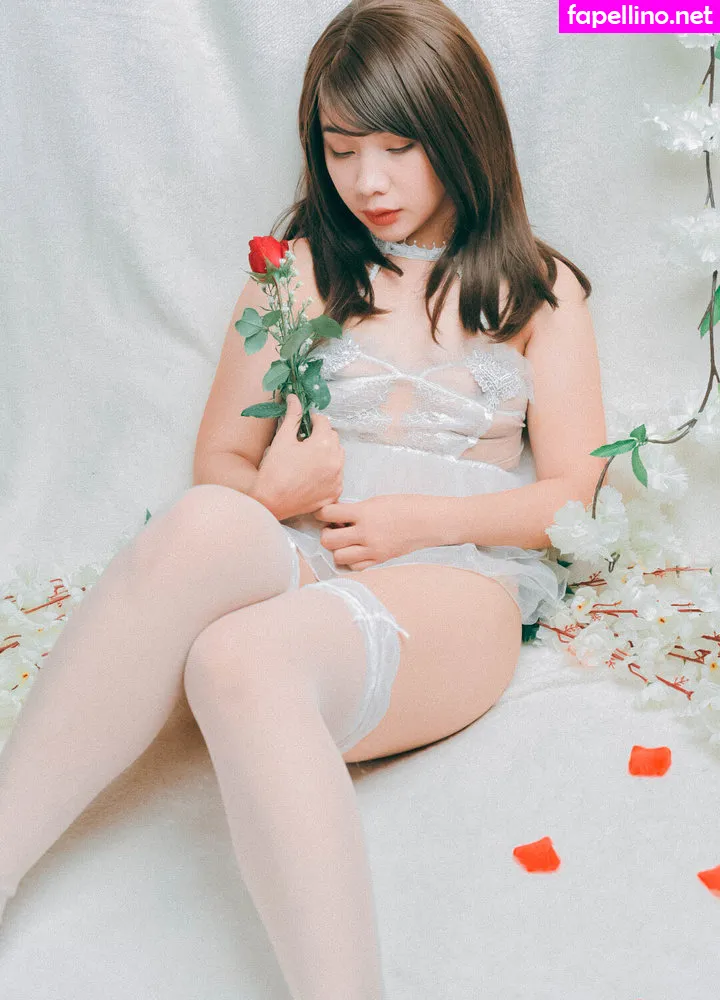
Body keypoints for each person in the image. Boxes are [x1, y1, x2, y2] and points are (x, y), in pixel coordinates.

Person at [0, 1, 607, 998]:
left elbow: (573, 498)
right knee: (205, 525)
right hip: (305, 550)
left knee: (237, 658)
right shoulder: (297, 275)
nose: (368, 182)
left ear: (461, 133)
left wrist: (427, 520)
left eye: (399, 147)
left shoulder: (537, 289)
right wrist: (274, 488)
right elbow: (221, 466)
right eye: (341, 149)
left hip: (457, 583)